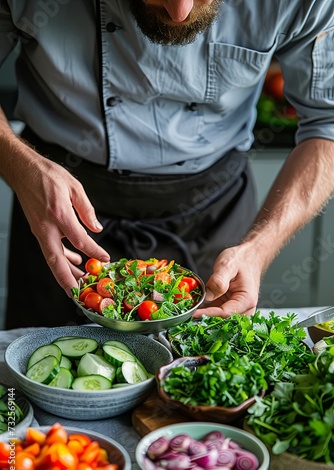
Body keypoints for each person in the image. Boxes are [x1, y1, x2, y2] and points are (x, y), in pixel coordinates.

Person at [0, 0, 334, 328]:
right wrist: (19, 164)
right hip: (58, 208)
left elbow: (328, 123)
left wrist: (259, 247)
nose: (180, 13)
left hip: (213, 213)